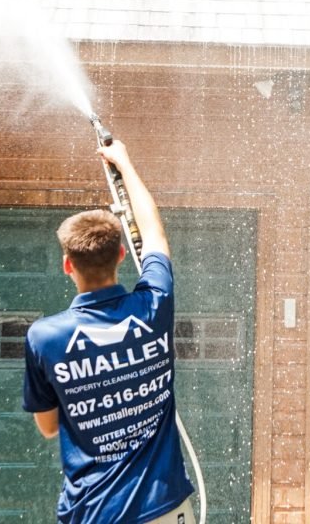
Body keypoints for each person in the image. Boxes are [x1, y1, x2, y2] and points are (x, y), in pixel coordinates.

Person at [23, 139, 195, 524]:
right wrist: (124, 163)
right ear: (120, 255)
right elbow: (154, 235)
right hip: (165, 506)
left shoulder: (45, 337)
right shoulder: (153, 306)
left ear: (67, 265)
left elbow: (49, 427)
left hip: (94, 512)